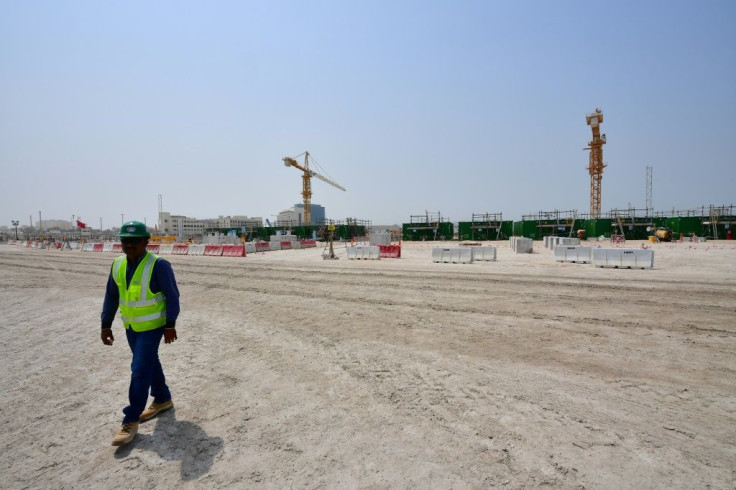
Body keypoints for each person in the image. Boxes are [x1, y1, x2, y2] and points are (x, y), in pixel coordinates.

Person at [100, 220, 180, 446]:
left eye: (135, 241)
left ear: (146, 242)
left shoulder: (159, 265)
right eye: (125, 240)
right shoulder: (117, 264)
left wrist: (170, 324)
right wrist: (106, 324)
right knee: (148, 363)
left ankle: (131, 418)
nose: (129, 244)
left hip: (153, 327)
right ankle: (163, 398)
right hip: (131, 327)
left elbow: (173, 296)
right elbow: (112, 296)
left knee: (139, 369)